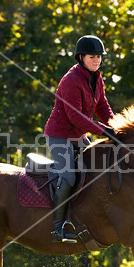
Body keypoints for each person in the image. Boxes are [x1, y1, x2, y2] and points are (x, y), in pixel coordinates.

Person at [43, 35, 116, 243]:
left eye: (99, 57)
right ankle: (58, 228)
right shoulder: (71, 81)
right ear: (81, 57)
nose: (97, 60)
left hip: (79, 135)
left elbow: (102, 106)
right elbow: (75, 116)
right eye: (93, 57)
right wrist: (104, 131)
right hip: (60, 137)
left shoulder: (97, 78)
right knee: (70, 177)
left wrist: (117, 126)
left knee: (96, 170)